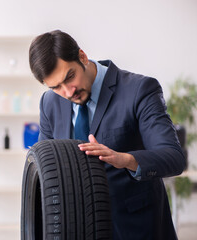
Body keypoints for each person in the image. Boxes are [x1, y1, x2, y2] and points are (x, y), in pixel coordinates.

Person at [29, 30, 186, 240]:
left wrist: (125, 159)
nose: (68, 92)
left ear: (82, 57)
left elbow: (173, 157)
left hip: (135, 228)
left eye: (70, 77)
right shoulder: (49, 103)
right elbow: (44, 169)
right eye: (56, 87)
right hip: (76, 228)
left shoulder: (139, 90)